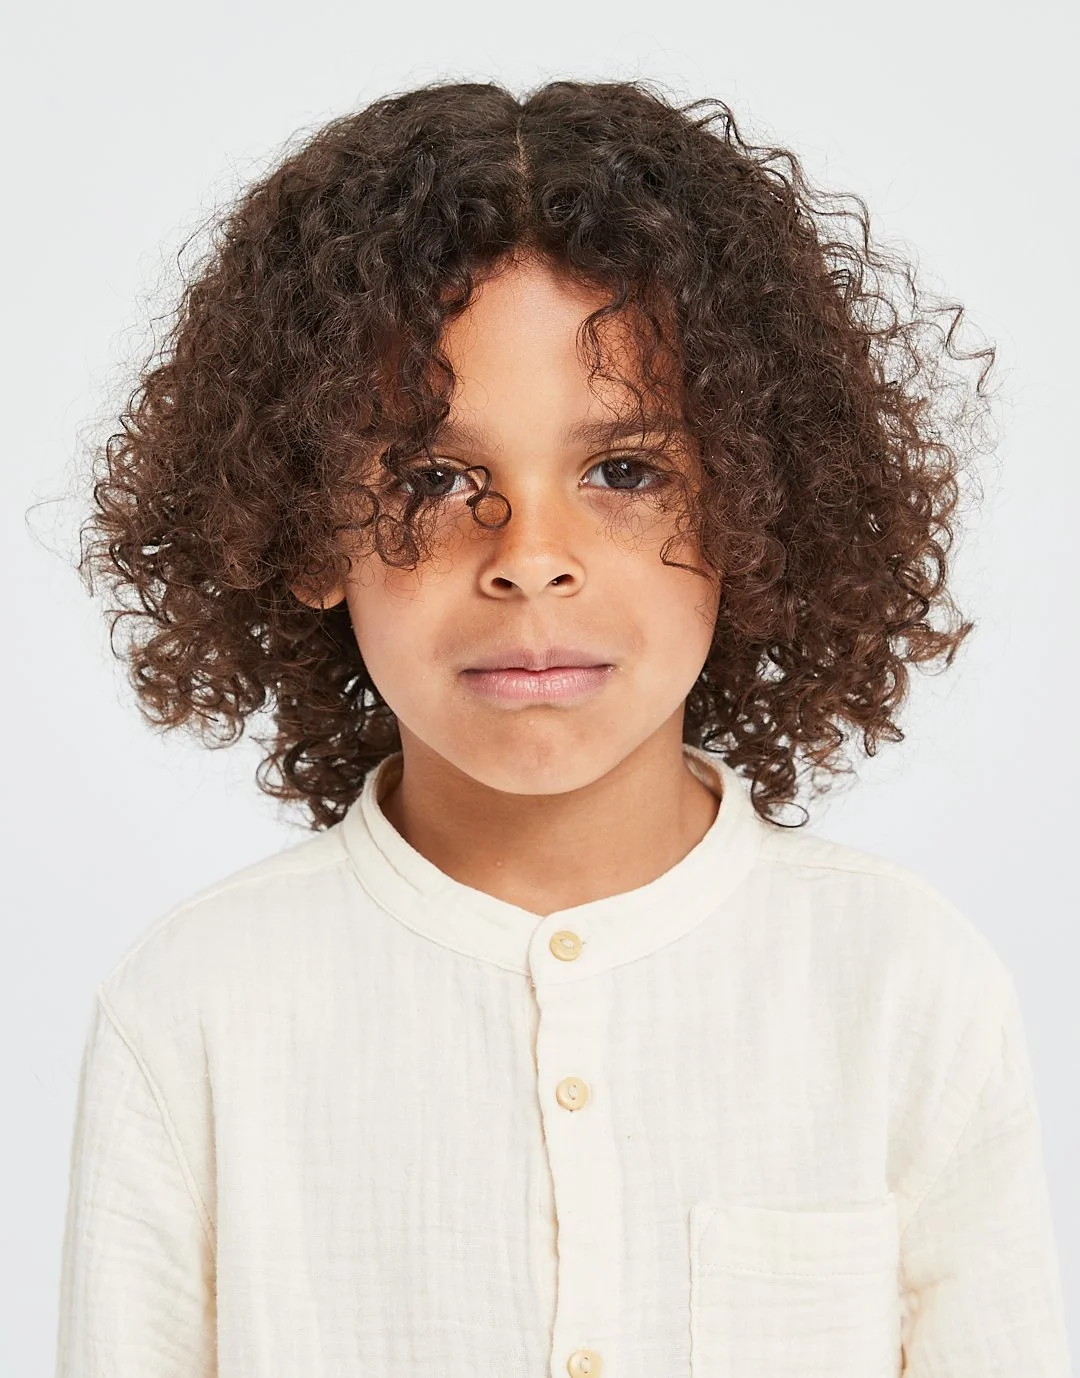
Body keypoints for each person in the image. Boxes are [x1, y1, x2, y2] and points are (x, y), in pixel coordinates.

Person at [56, 77, 1072, 1377]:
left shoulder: (904, 987)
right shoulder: (194, 1013)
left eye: (623, 471)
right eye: (435, 478)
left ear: (754, 501)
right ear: (310, 525)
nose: (532, 557)